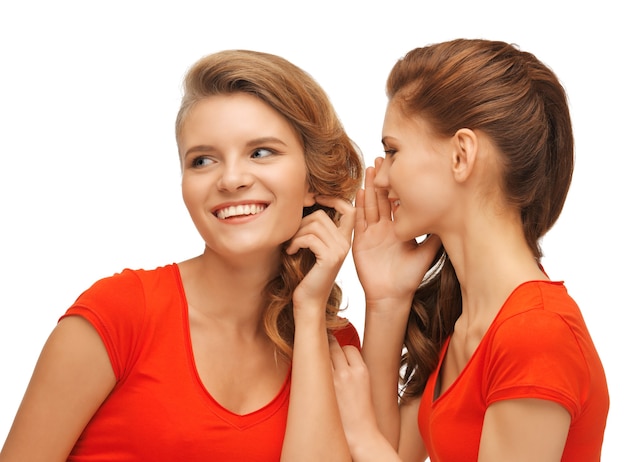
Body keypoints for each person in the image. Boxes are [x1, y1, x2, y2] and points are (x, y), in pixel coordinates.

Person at [0, 49, 363, 461]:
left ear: (313, 180)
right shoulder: (119, 314)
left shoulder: (332, 344)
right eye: (202, 160)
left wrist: (312, 310)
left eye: (261, 152)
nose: (230, 179)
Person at [330, 38, 609, 461]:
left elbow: (370, 448)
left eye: (392, 150)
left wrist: (361, 432)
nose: (381, 178)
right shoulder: (466, 322)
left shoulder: (536, 334)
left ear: (462, 154)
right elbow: (391, 453)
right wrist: (386, 300)